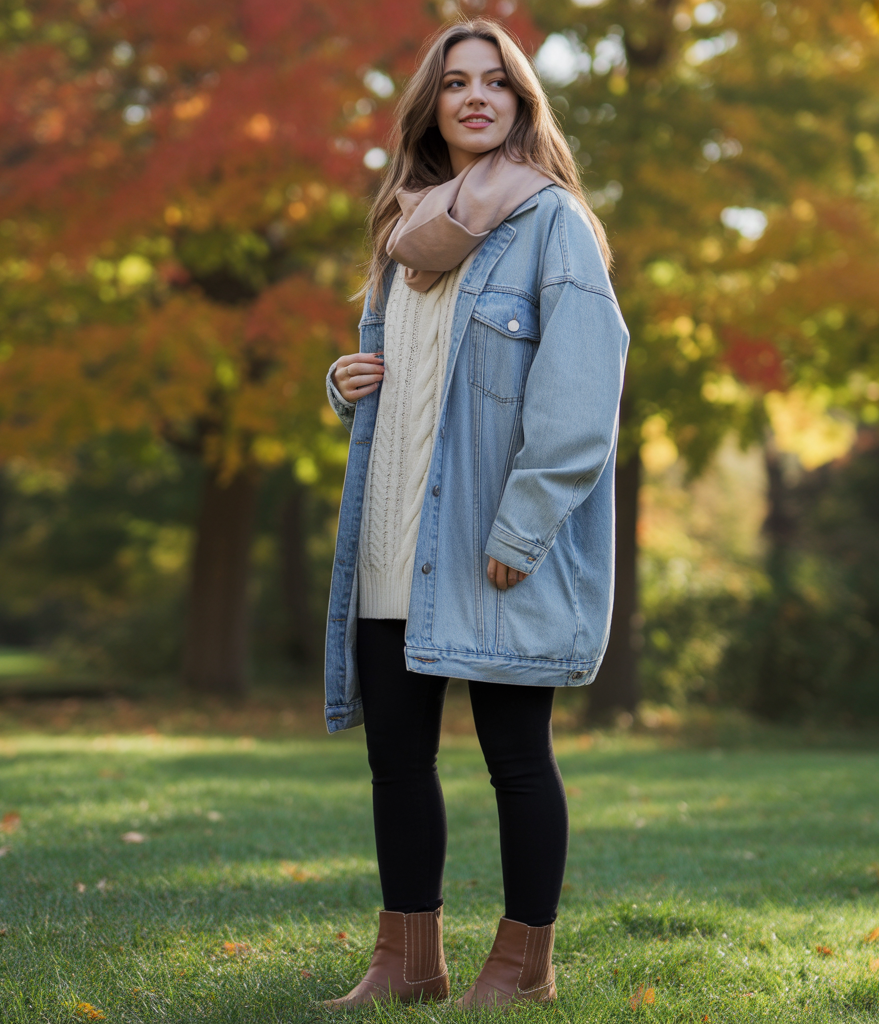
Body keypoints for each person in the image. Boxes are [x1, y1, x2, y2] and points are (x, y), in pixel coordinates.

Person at [321, 17, 630, 1010]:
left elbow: (580, 395)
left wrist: (523, 525)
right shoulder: (401, 231)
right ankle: (406, 958)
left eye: (496, 82)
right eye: (454, 83)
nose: (475, 97)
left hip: (490, 539)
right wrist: (345, 379)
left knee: (514, 759)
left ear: (521, 103)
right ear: (432, 106)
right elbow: (407, 376)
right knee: (395, 760)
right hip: (390, 532)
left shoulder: (552, 224)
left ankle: (521, 964)